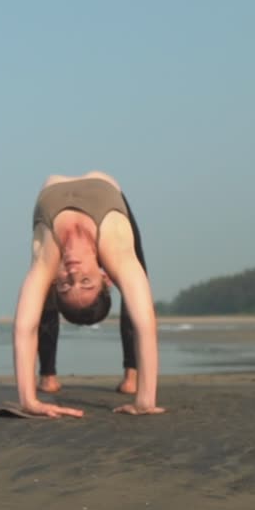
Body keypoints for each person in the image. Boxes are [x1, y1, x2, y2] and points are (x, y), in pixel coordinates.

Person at [12, 171, 164, 418]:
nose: (73, 272)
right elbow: (145, 322)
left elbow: (24, 327)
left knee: (40, 299)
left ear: (54, 282)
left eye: (65, 285)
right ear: (106, 277)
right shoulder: (117, 252)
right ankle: (132, 375)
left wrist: (28, 400)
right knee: (138, 286)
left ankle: (48, 375)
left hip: (54, 186)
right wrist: (145, 401)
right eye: (85, 281)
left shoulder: (47, 262)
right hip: (102, 185)